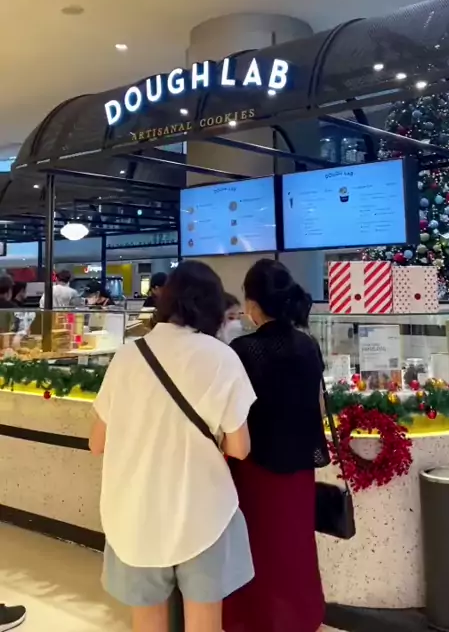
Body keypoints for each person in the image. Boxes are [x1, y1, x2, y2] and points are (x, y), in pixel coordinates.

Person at [89, 260, 257, 632]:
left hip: (134, 513)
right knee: (203, 622)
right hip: (204, 513)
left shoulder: (128, 355)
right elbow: (240, 448)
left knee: (147, 619)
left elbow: (96, 442)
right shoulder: (221, 357)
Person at [223, 259, 328, 632]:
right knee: (295, 546)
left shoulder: (242, 349)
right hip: (299, 466)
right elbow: (317, 404)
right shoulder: (308, 345)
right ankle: (300, 618)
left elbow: (232, 414)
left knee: (255, 547)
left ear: (252, 304)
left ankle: (253, 620)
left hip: (254, 468)